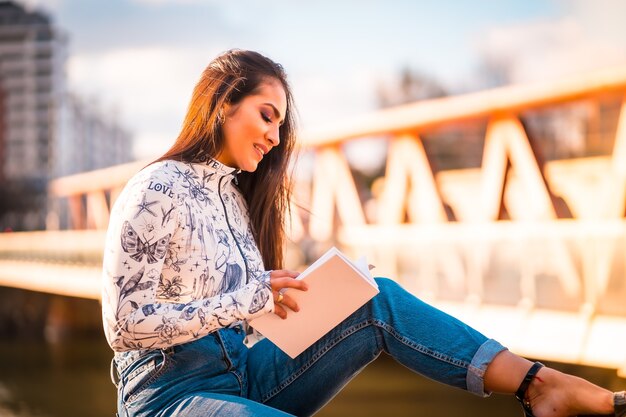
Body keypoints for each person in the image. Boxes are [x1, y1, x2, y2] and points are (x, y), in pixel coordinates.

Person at [102, 49, 625, 417]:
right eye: (267, 116)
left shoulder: (236, 202)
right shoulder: (156, 188)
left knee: (374, 299)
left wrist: (312, 296)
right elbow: (123, 326)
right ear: (222, 103)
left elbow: (241, 312)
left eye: (281, 124)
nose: (275, 136)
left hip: (245, 374)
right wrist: (249, 297)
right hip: (168, 395)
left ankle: (539, 384)